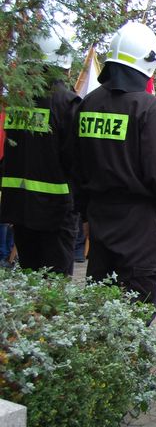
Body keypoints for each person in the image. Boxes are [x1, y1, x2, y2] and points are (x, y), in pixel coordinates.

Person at [73, 21, 156, 396]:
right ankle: (135, 372)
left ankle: (99, 365)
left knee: (102, 291)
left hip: (100, 215)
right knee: (140, 294)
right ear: (147, 65)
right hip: (138, 218)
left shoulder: (89, 102)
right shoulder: (149, 108)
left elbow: (76, 163)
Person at [0, 29, 80, 275]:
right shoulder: (67, 103)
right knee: (54, 285)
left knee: (30, 275)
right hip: (56, 211)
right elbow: (75, 159)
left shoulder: (17, 102)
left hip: (19, 207)